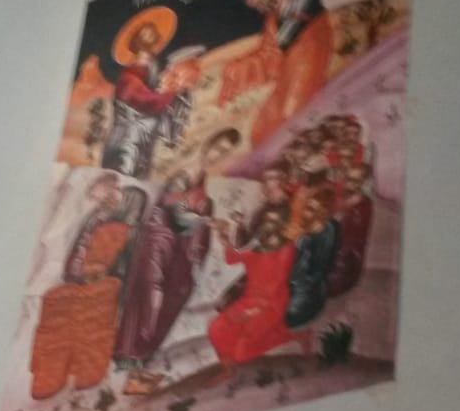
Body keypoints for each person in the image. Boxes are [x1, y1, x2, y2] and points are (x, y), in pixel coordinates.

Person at [112, 129, 241, 395]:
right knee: (151, 301)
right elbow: (177, 213)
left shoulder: (202, 182)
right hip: (159, 244)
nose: (219, 155)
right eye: (218, 148)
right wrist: (208, 221)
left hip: (176, 253)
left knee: (173, 297)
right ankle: (130, 361)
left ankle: (140, 365)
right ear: (209, 144)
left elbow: (193, 225)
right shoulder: (185, 175)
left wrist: (207, 227)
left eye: (225, 152)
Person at [30, 174, 145, 399]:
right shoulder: (96, 217)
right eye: (95, 196)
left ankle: (85, 374)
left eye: (100, 193)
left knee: (92, 320)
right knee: (55, 307)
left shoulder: (129, 211)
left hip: (108, 281)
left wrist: (102, 273)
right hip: (80, 281)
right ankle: (50, 374)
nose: (96, 200)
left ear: (113, 187)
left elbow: (123, 252)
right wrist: (75, 274)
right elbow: (78, 252)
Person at [102, 7, 199, 180]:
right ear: (136, 42)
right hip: (129, 133)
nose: (150, 37)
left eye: (152, 33)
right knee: (125, 171)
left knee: (141, 172)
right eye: (145, 34)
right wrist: (170, 93)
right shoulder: (129, 77)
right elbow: (147, 101)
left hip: (146, 133)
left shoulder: (153, 67)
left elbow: (159, 94)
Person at [206, 213, 299, 382]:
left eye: (274, 224)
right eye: (266, 224)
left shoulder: (286, 249)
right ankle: (227, 370)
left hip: (272, 304)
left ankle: (292, 336)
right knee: (215, 329)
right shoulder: (256, 247)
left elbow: (277, 285)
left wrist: (254, 311)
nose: (268, 229)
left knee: (241, 354)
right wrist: (224, 236)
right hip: (249, 301)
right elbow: (232, 258)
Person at [243, 0, 333, 145]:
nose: (260, 9)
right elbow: (275, 45)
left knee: (293, 105)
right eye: (257, 6)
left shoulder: (303, 0)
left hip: (310, 54)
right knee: (276, 106)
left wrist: (284, 42)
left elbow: (290, 36)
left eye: (260, 3)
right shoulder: (274, 18)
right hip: (294, 61)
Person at [284, 190, 342, 328]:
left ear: (323, 212)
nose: (306, 213)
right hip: (299, 282)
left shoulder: (323, 233)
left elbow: (315, 272)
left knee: (286, 316)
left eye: (311, 210)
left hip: (307, 289)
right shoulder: (308, 230)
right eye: (307, 207)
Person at [327, 163, 375, 297]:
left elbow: (348, 246)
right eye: (348, 178)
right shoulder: (341, 198)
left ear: (364, 182)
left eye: (356, 180)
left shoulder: (362, 207)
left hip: (343, 266)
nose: (351, 183)